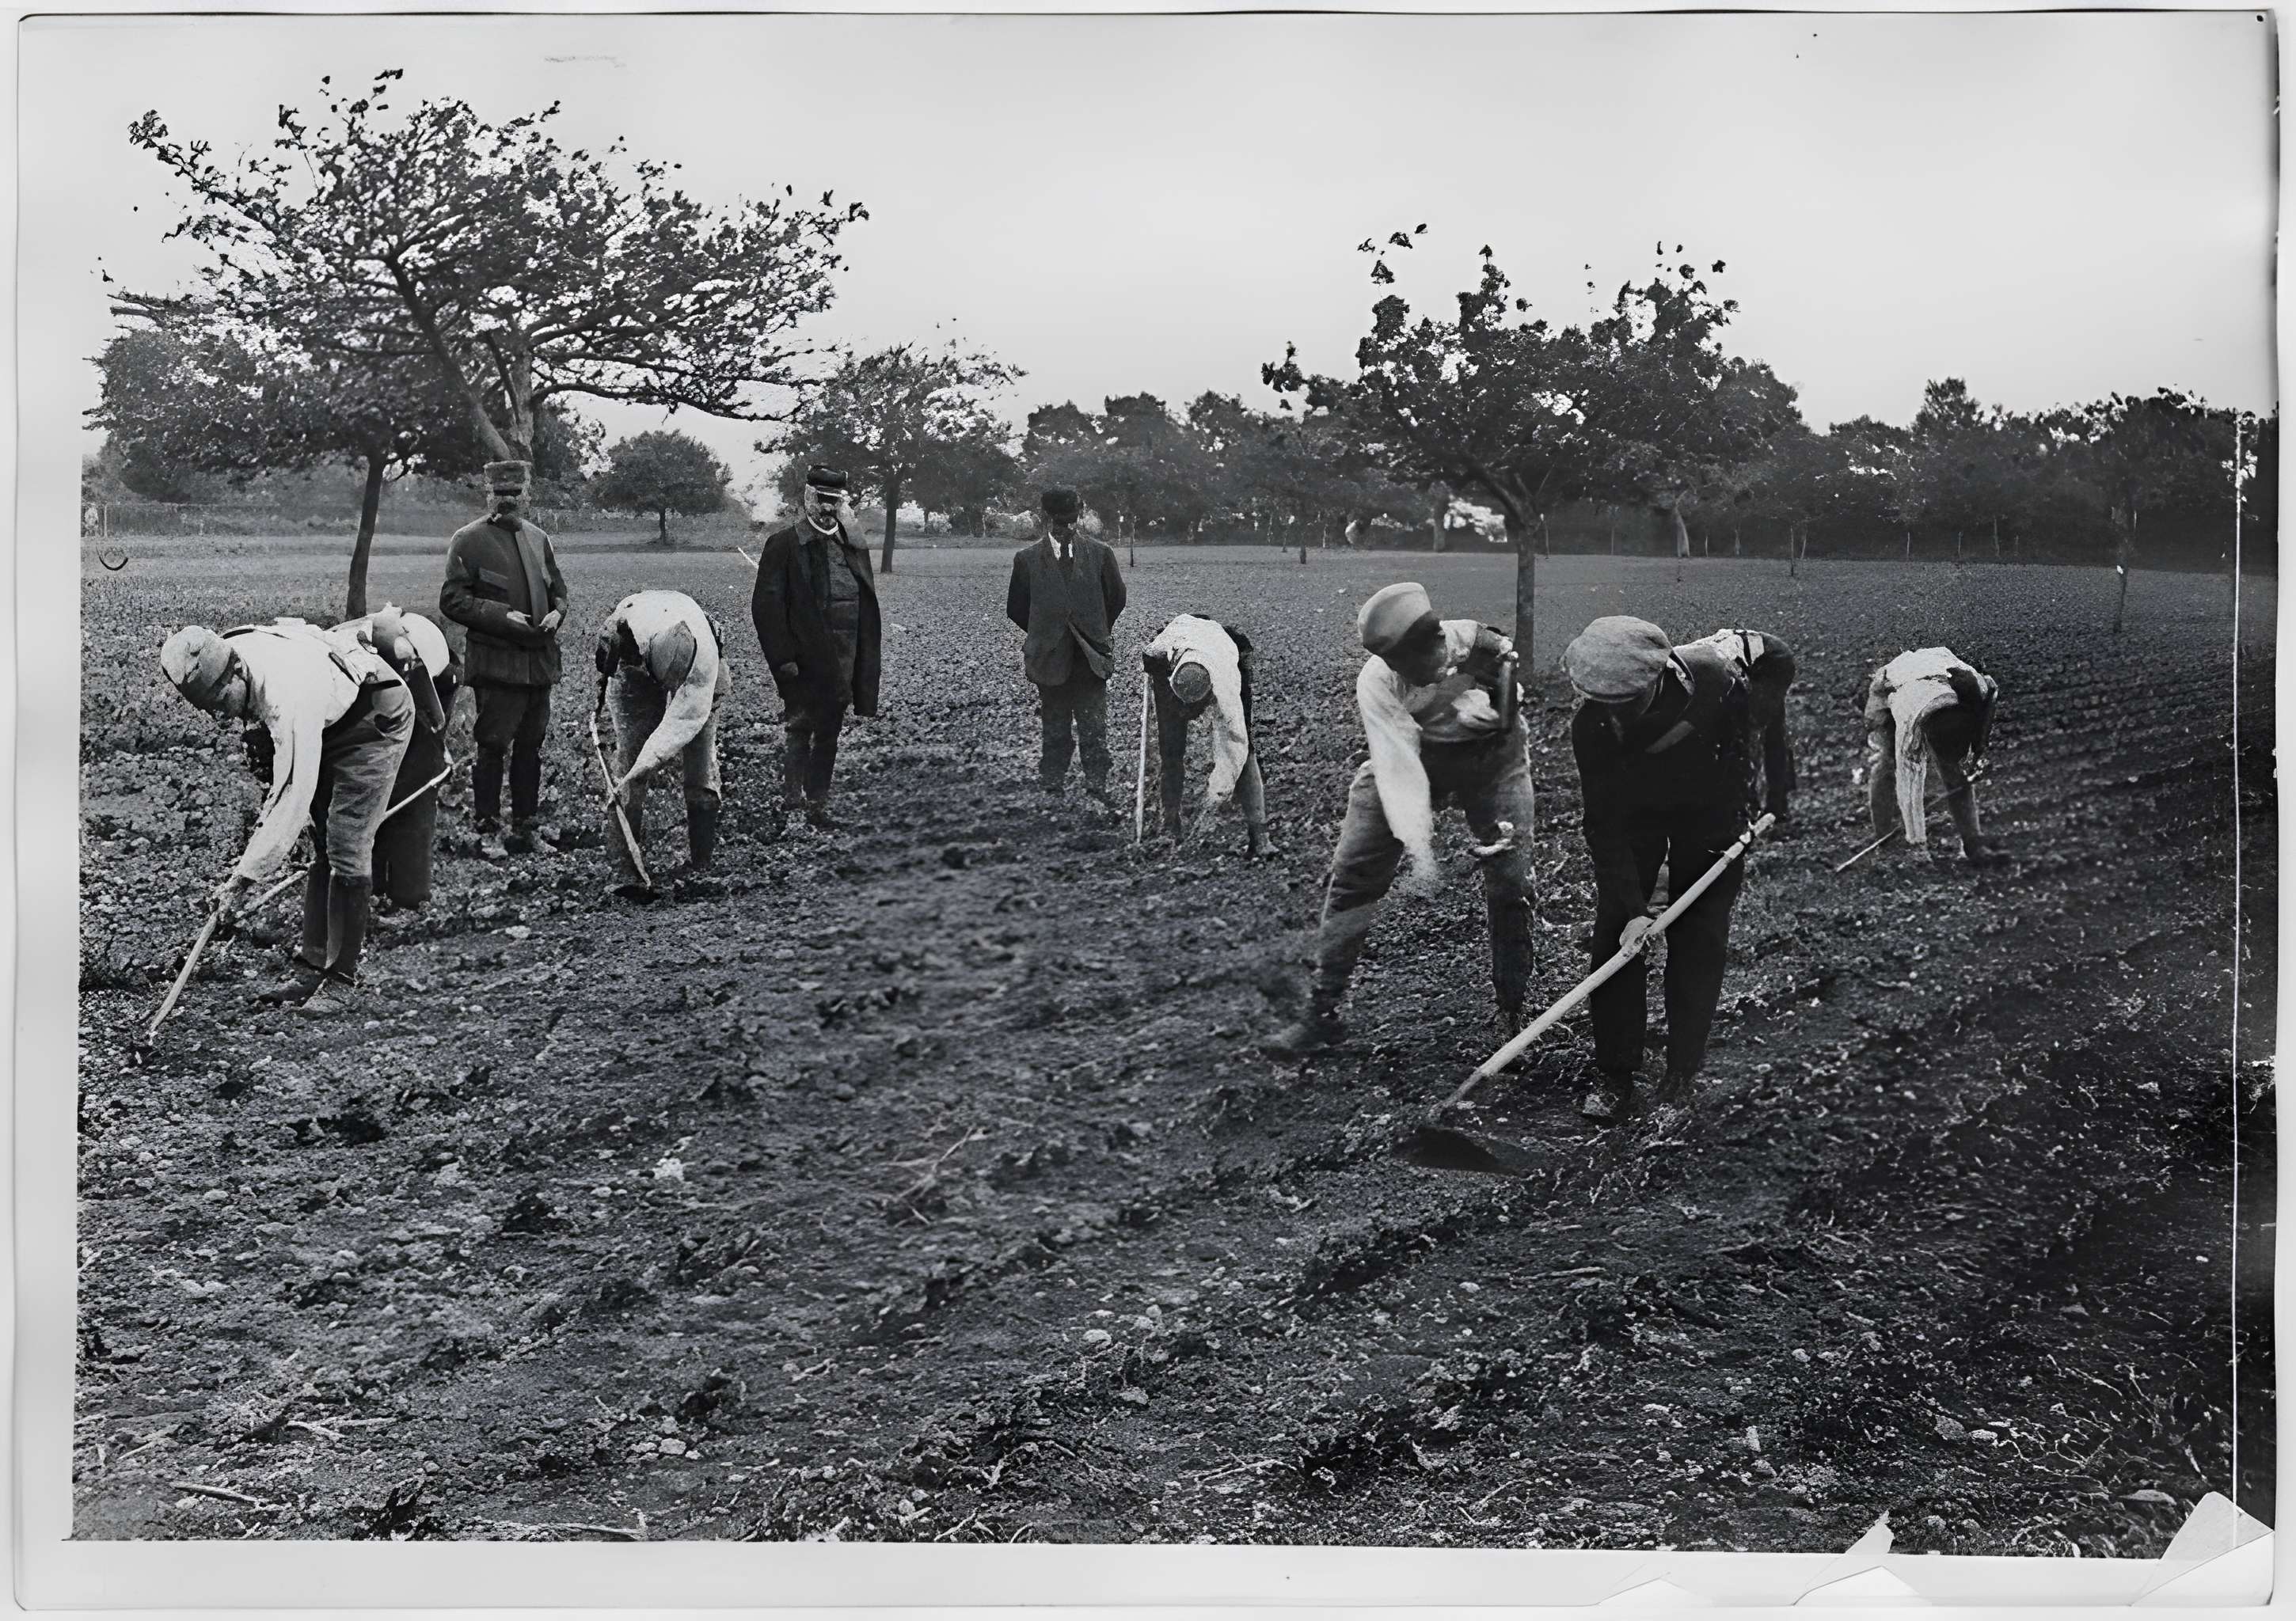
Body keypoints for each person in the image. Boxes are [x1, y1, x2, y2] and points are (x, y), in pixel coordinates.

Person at [1263, 583, 1534, 1056]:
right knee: (1352, 875)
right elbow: (1401, 775)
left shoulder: (1473, 641)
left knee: (1510, 882)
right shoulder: (1377, 684)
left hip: (1494, 761)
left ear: (1439, 640)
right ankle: (1322, 1011)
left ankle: (1512, 1015)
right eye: (1405, 668)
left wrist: (1499, 714)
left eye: (1426, 662)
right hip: (1409, 758)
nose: (1420, 674)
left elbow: (1509, 681)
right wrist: (1423, 857)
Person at [159, 617, 416, 1017]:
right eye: (210, 709)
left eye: (222, 702)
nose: (222, 716)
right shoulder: (228, 648)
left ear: (238, 671)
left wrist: (242, 879)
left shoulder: (288, 697)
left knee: (346, 844)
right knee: (322, 847)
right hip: (331, 711)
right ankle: (313, 967)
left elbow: (290, 799)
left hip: (375, 717)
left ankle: (341, 980)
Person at [1565, 615, 1760, 1126]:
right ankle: (1615, 1072)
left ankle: (1681, 1073)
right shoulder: (1591, 725)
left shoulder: (1716, 681)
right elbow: (1603, 824)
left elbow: (1744, 751)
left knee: (1699, 936)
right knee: (1616, 936)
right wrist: (1634, 909)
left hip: (1709, 810)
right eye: (1604, 702)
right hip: (1635, 816)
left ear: (1656, 675)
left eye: (1626, 701)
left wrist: (1741, 817)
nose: (1616, 713)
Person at [439, 459, 568, 856]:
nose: (508, 500)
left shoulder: (539, 539)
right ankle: (487, 829)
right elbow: (452, 600)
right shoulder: (468, 540)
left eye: (515, 493)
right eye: (500, 493)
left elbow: (559, 590)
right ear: (488, 494)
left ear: (527, 494)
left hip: (538, 663)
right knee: (492, 745)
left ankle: (526, 827)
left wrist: (558, 612)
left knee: (531, 746)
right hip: (497, 664)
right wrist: (500, 615)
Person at [751, 465, 882, 833]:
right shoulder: (784, 544)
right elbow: (767, 608)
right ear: (808, 498)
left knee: (829, 731)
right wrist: (783, 659)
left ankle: (817, 804)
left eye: (834, 501)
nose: (827, 507)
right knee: (800, 726)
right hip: (803, 660)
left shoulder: (852, 546)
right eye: (821, 499)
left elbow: (865, 603)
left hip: (844, 658)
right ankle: (793, 805)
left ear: (842, 504)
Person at [595, 589, 732, 877]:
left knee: (702, 765)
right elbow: (605, 663)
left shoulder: (707, 659)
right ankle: (625, 867)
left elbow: (691, 716)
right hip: (633, 665)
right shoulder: (623, 633)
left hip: (702, 665)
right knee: (632, 762)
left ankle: (702, 866)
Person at [1006, 488, 1127, 802]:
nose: (1066, 526)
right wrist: (1046, 633)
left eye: (1071, 517)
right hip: (1049, 659)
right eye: (1061, 519)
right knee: (1055, 724)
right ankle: (1052, 783)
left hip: (1090, 658)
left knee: (1094, 727)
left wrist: (1095, 632)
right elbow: (1016, 608)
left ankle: (1097, 784)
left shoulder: (1100, 554)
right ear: (1048, 517)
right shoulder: (1027, 560)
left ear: (1078, 515)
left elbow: (1116, 598)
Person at [335, 607, 456, 911]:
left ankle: (409, 897)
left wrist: (434, 756)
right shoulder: (344, 668)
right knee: (372, 801)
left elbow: (434, 719)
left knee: (415, 798)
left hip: (422, 683)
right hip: (376, 703)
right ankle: (372, 889)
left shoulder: (420, 661)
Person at [1141, 613, 1270, 856]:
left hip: (1225, 654)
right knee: (1171, 748)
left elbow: (1235, 743)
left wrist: (1218, 794)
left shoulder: (1227, 684)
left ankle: (1260, 836)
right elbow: (1150, 656)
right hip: (1177, 650)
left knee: (1246, 747)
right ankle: (1170, 827)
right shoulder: (1158, 657)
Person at [1863, 647, 1999, 865]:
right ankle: (1884, 841)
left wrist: (1979, 750)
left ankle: (1973, 842)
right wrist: (1918, 845)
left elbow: (1991, 696)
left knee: (1957, 772)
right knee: (1888, 761)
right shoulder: (1910, 724)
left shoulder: (1977, 691)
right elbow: (1909, 787)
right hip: (1894, 687)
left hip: (1936, 674)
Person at [1682, 628, 1799, 826]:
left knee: (1756, 728)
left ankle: (1767, 803)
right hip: (1737, 661)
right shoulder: (1682, 669)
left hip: (1772, 658)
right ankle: (1761, 801)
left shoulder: (1709, 679)